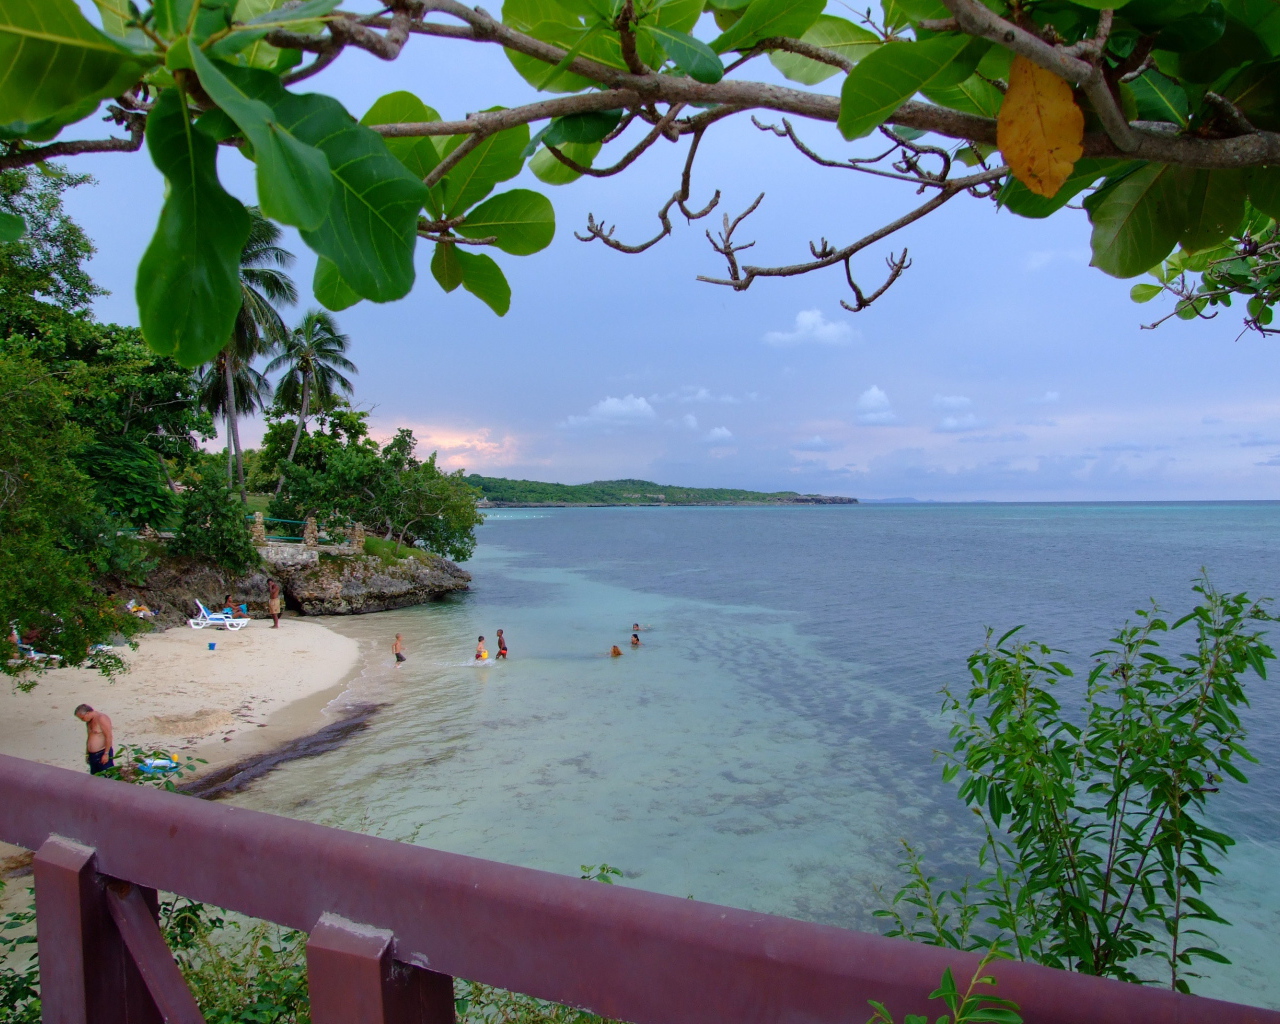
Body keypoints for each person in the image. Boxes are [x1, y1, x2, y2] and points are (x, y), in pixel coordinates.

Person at [74, 704, 114, 775]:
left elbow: (108, 736)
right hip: (92, 755)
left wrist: (106, 753)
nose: (82, 720)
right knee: (95, 776)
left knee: (107, 776)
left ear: (88, 713)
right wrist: (87, 754)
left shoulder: (101, 718)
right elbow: (89, 737)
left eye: (83, 718)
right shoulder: (89, 721)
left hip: (102, 753)